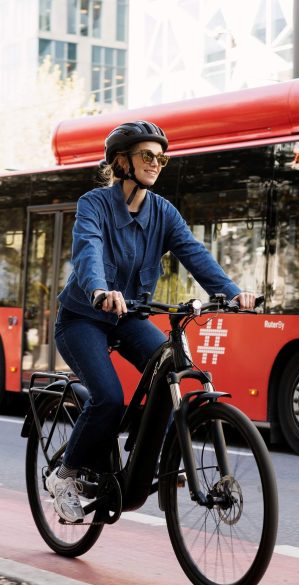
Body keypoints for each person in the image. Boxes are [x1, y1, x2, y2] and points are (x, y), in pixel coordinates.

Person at [46, 120, 256, 523]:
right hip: (83, 317)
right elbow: (87, 251)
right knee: (108, 397)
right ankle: (67, 476)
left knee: (170, 366)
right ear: (121, 161)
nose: (157, 163)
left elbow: (194, 253)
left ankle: (152, 459)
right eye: (148, 155)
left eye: (162, 157)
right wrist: (98, 289)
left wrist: (230, 291)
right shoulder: (95, 205)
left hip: (130, 317)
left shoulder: (163, 212)